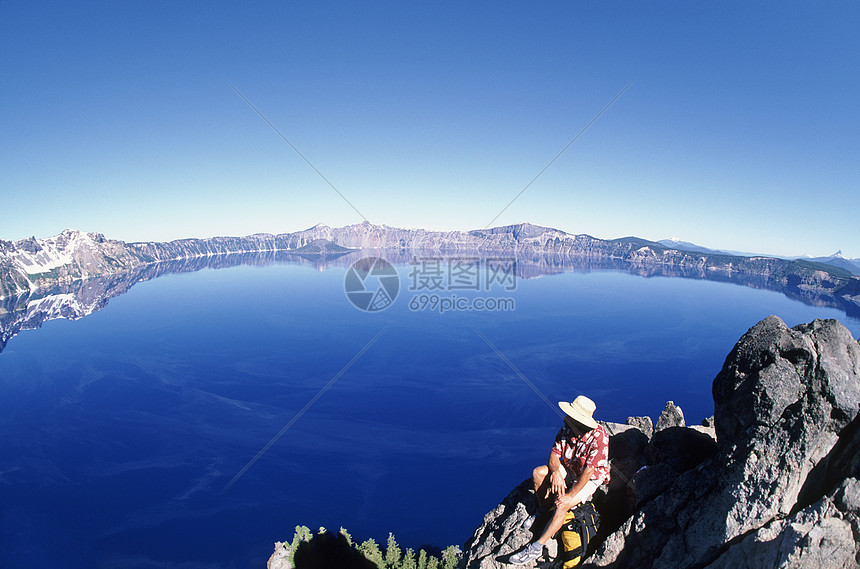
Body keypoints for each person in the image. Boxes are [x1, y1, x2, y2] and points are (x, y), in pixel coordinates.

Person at [509, 395, 610, 565]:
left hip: (590, 478)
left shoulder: (599, 438)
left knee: (563, 504)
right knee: (538, 474)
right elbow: (554, 455)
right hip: (572, 469)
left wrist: (571, 495)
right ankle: (543, 511)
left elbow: (589, 471)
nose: (566, 418)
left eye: (570, 416)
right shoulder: (567, 430)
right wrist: (556, 472)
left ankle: (537, 547)